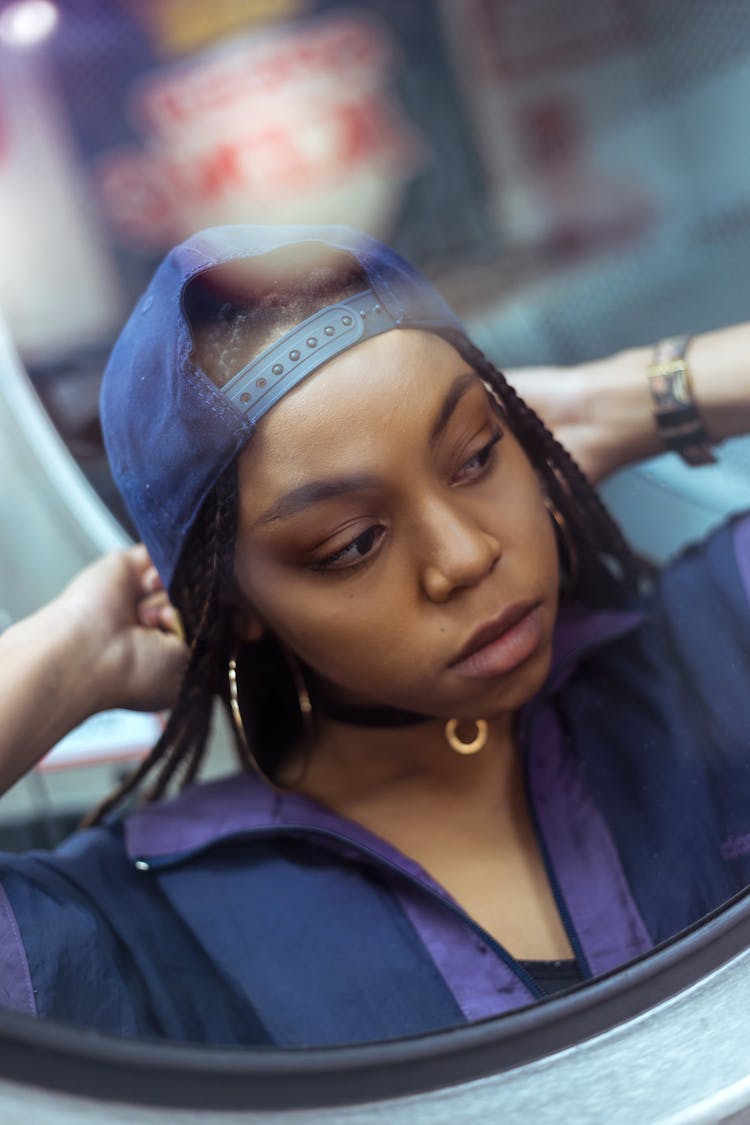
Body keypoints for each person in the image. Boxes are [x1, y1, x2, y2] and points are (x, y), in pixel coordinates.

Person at [0, 224, 748, 1048]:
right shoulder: (139, 934)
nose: (465, 556)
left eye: (475, 456)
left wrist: (609, 401)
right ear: (234, 601)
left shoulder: (717, 650)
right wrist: (73, 655)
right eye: (351, 543)